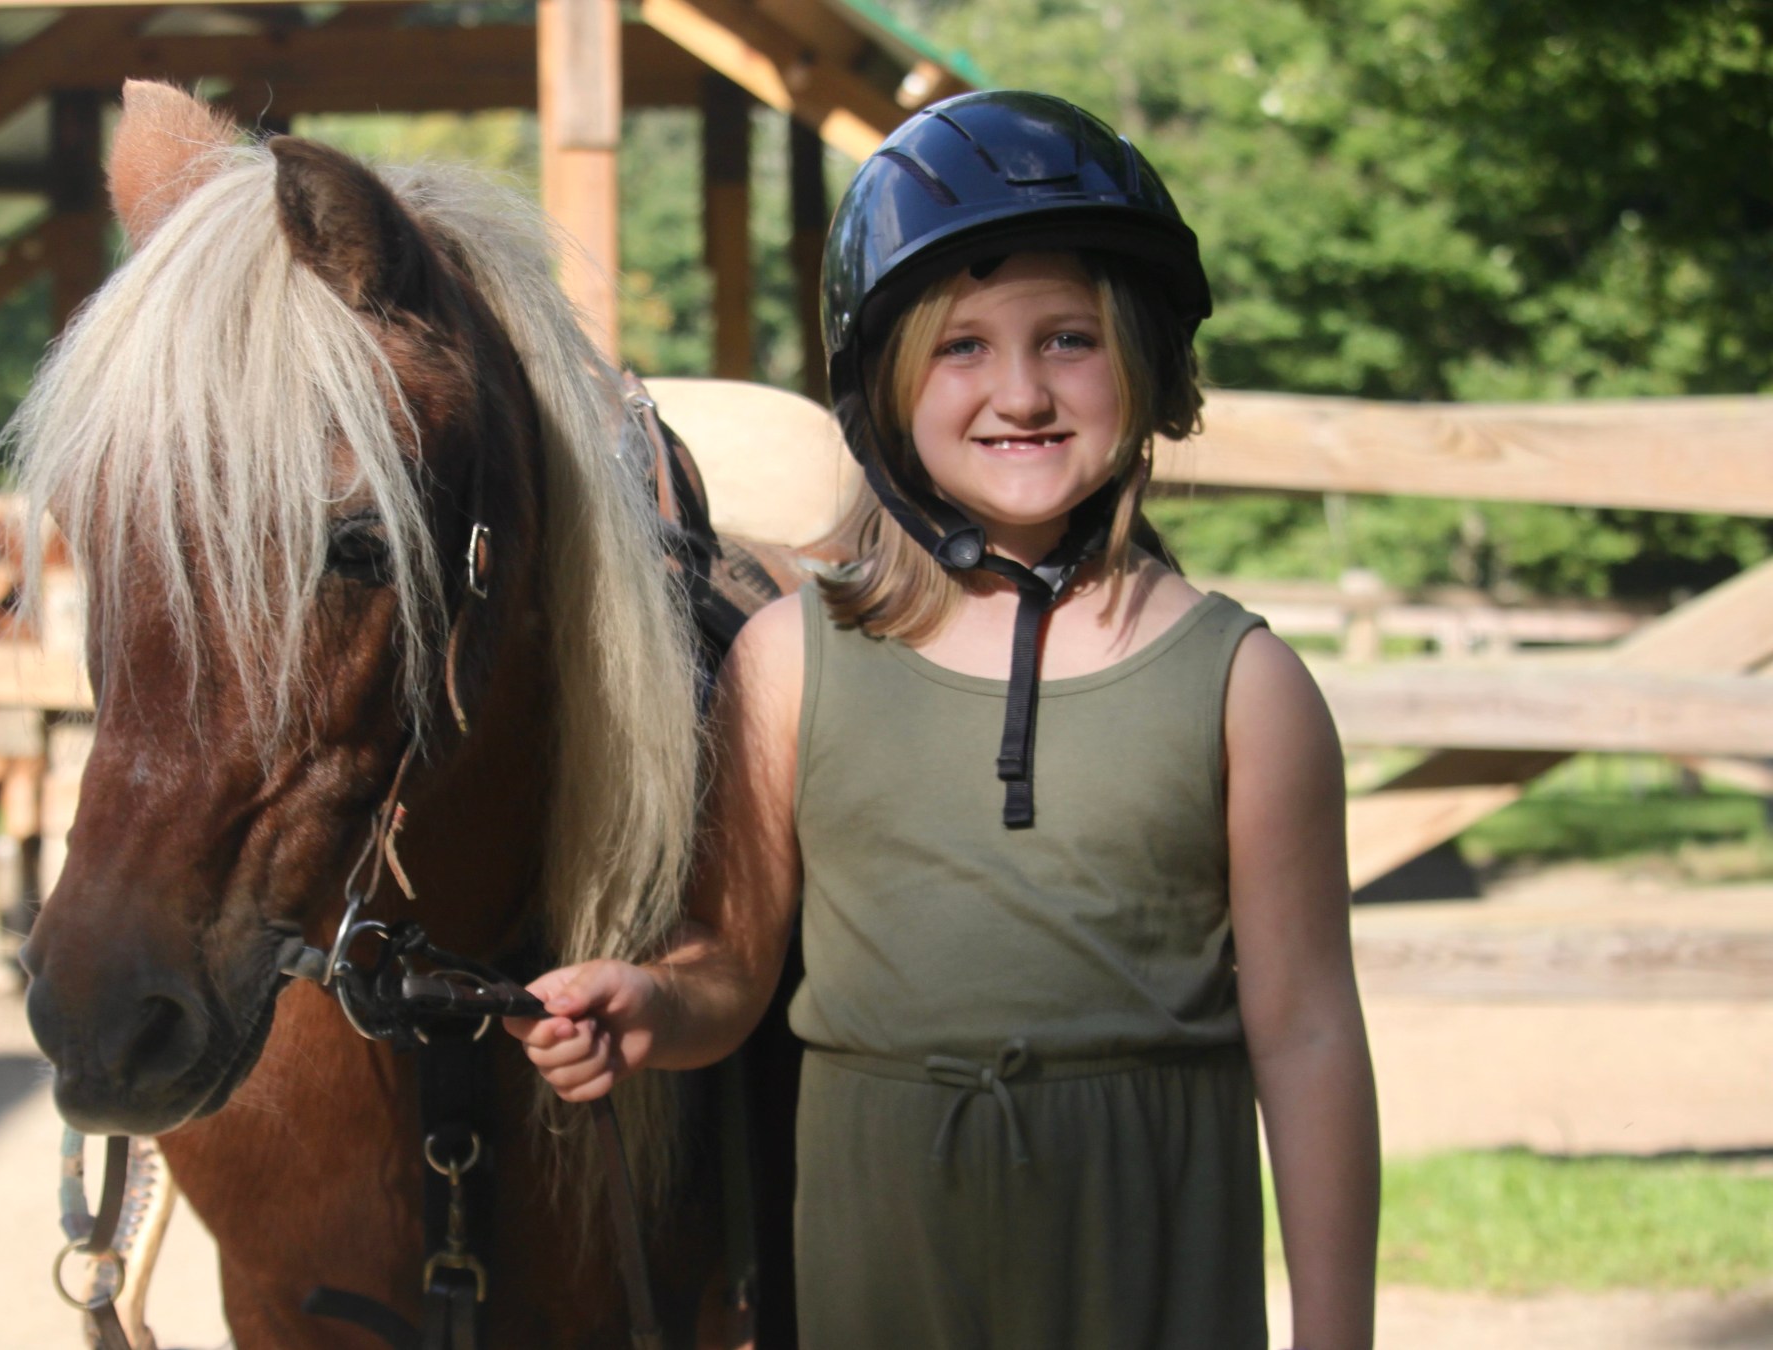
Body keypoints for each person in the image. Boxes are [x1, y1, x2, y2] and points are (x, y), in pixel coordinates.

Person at [507, 91, 1379, 1348]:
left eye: (1068, 338)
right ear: (888, 386)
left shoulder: (1243, 687)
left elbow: (1305, 1035)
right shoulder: (788, 665)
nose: (1019, 390)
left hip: (1150, 1270)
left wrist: (1336, 1333)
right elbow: (734, 969)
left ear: (1145, 363)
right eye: (962, 346)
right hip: (885, 1269)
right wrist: (651, 1001)